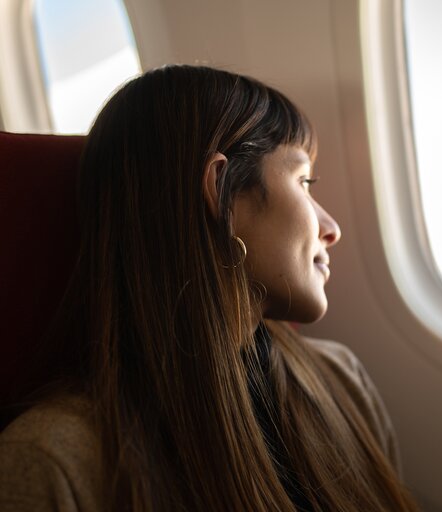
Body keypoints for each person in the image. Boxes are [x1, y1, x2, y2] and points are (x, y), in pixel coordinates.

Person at [0, 65, 419, 511]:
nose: (331, 228)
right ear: (221, 193)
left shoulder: (340, 379)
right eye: (304, 182)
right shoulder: (52, 464)